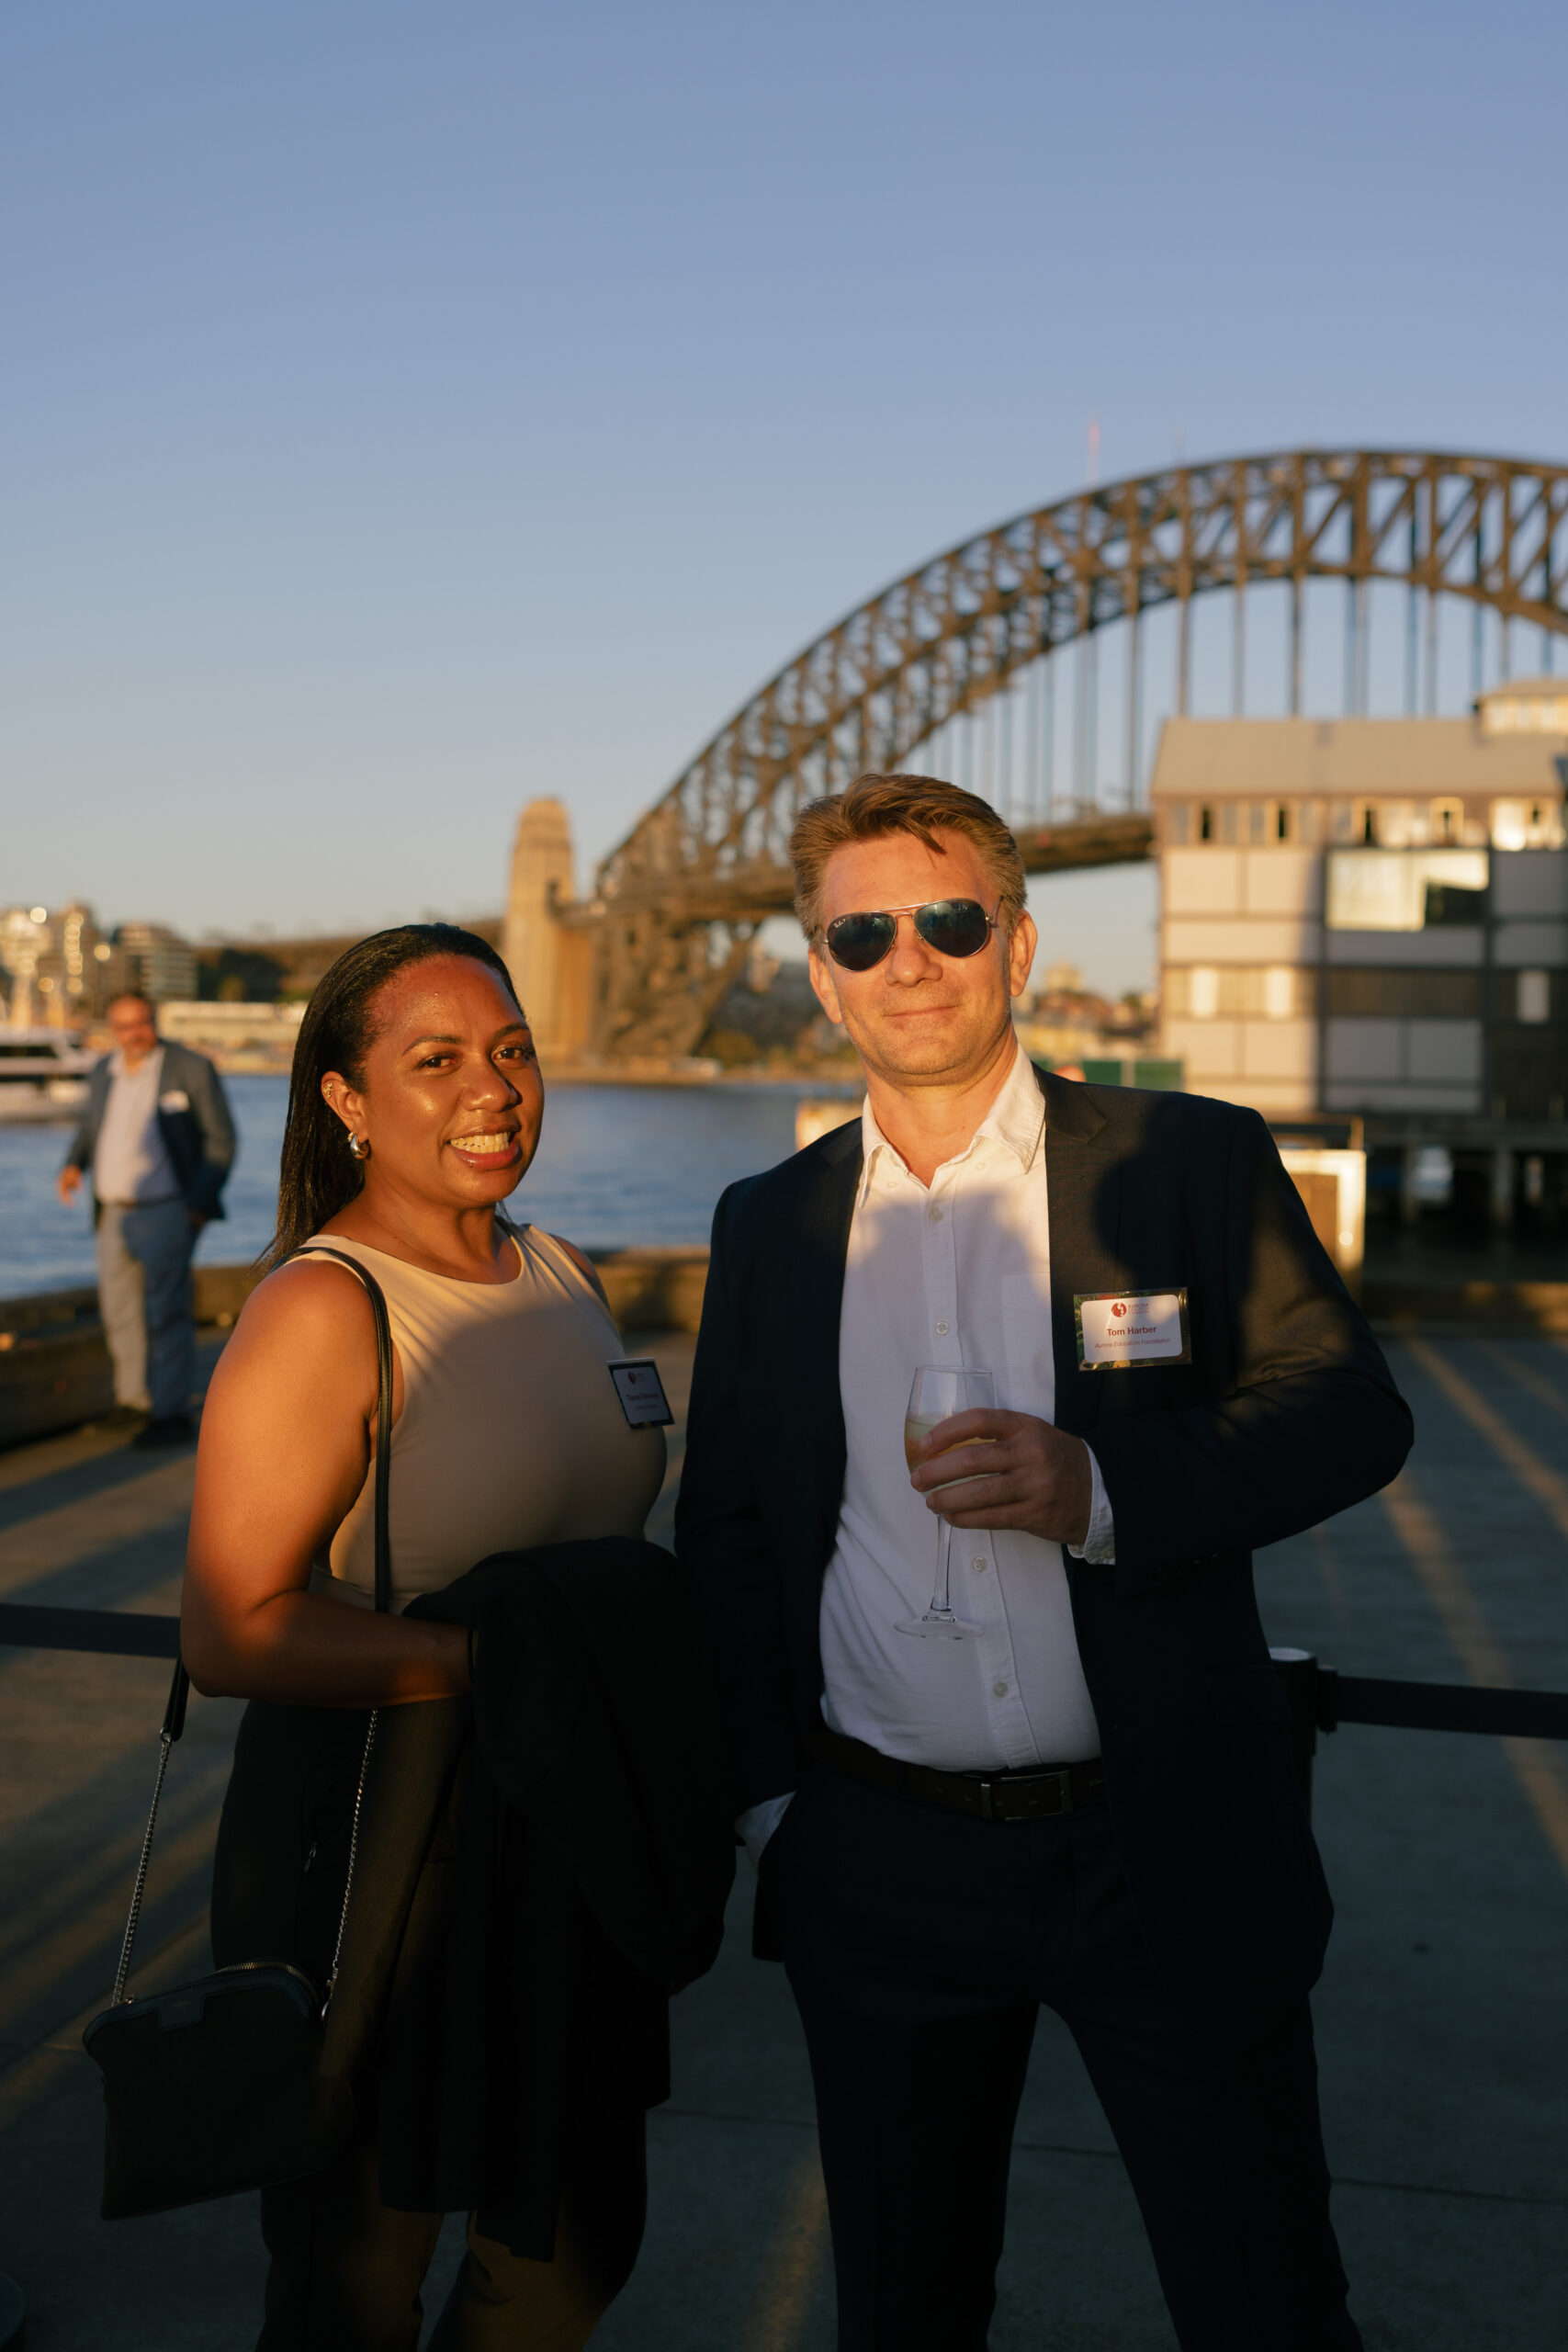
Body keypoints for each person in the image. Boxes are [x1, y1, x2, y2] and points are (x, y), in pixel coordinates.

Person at [676, 773, 1415, 2352]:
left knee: (1265, 2304)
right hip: (878, 1857)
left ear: (1015, 943)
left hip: (1157, 1842)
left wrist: (1101, 1485)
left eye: (948, 920)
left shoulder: (1183, 1161)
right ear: (820, 975)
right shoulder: (766, 1222)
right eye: (862, 934)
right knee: (906, 2309)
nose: (908, 960)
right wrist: (774, 1808)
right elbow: (728, 1526)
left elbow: (1348, 1412)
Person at [181, 922, 728, 2352]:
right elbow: (230, 1631)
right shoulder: (325, 1306)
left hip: (570, 1826)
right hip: (389, 1847)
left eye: (510, 1050)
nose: (492, 1089)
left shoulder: (559, 1272)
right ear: (345, 1100)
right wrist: (502, 1666)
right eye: (434, 1061)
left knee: (567, 2254)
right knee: (357, 2273)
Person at [59, 989, 236, 1447]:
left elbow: (221, 1139)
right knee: (119, 1311)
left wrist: (197, 1204)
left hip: (167, 1209)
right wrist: (73, 1164)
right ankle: (132, 1402)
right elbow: (91, 1127)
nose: (134, 1034)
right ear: (112, 1030)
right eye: (123, 1026)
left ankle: (170, 1411)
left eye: (141, 1022)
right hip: (112, 1212)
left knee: (167, 1312)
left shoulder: (190, 1068)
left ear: (153, 1021)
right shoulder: (104, 1070)